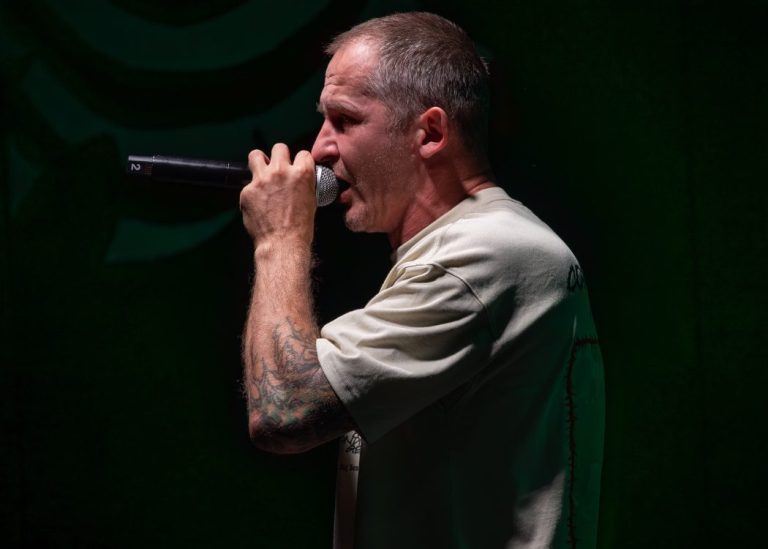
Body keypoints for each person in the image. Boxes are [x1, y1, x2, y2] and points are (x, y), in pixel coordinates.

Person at [238, 12, 604, 549]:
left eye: (344, 119)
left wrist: (279, 240)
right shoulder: (468, 249)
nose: (318, 150)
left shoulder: (484, 255)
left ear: (430, 133)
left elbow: (285, 409)